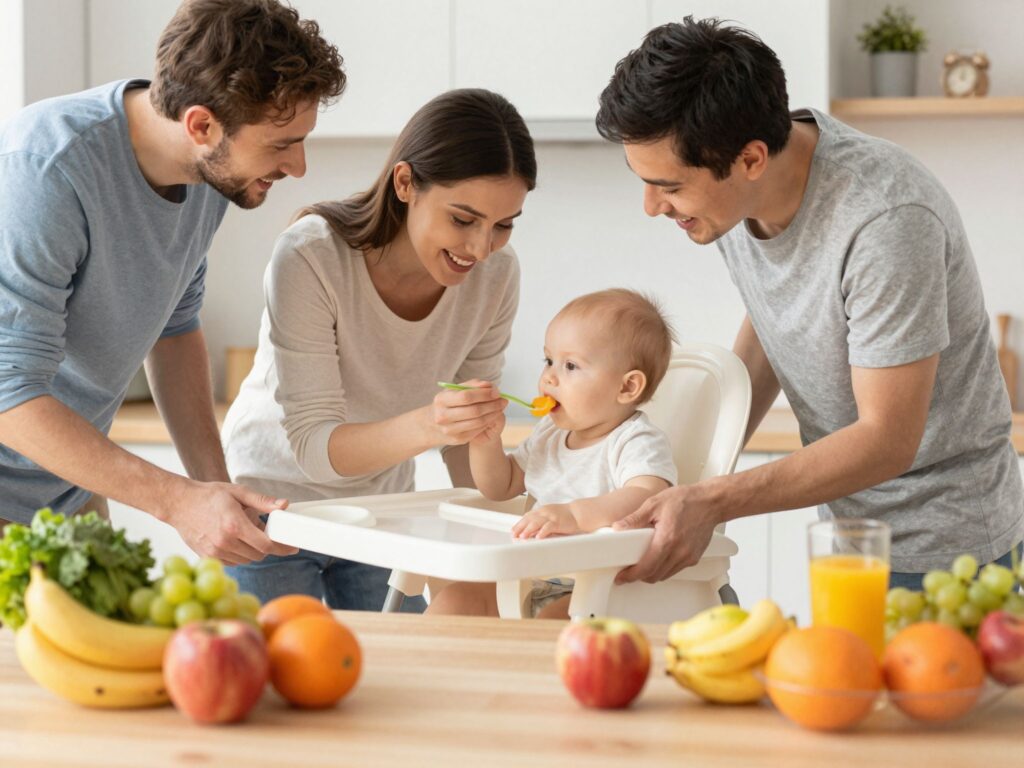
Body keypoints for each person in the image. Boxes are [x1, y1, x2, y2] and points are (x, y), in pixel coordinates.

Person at [594, 17, 1024, 591]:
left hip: (952, 550)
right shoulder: (738, 196)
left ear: (749, 160)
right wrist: (674, 476)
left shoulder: (885, 219)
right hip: (849, 538)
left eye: (669, 187)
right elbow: (778, 321)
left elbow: (886, 439)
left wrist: (712, 500)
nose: (652, 206)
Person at [0, 0, 346, 560]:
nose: (298, 167)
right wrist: (177, 501)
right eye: (282, 144)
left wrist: (216, 490)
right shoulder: (47, 167)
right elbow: (7, 393)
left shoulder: (211, 174)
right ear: (201, 124)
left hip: (66, 486)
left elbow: (175, 328)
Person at [221, 88, 537, 610]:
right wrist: (436, 424)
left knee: (397, 676)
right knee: (280, 678)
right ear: (406, 183)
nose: (481, 249)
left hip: (384, 510)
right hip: (270, 509)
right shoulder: (312, 256)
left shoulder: (496, 276)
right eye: (463, 219)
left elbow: (463, 443)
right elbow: (314, 450)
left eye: (502, 225)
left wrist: (488, 534)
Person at [426, 288, 679, 618]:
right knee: (455, 600)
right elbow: (500, 487)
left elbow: (648, 497)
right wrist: (486, 442)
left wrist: (574, 516)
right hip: (535, 577)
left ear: (627, 387)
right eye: (548, 360)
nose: (549, 376)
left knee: (548, 624)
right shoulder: (550, 432)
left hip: (606, 588)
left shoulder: (634, 441)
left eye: (570, 365)